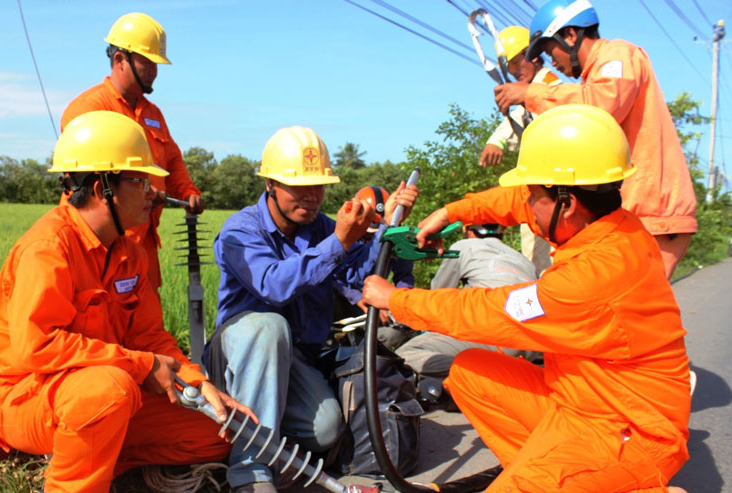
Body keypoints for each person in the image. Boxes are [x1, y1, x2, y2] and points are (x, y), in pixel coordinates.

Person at [362, 105, 692, 491]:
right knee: (470, 372)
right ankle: (547, 473)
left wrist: (397, 300)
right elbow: (518, 202)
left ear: (567, 203)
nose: (527, 204)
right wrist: (450, 211)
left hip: (627, 434)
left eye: (535, 194)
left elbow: (491, 312)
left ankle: (619, 483)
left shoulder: (593, 277)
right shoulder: (613, 224)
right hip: (579, 404)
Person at [0, 111, 254, 493]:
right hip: (26, 397)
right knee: (107, 389)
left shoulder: (129, 251)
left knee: (222, 431)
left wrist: (197, 381)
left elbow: (150, 336)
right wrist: (141, 365)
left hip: (106, 394)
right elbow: (36, 349)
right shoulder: (48, 248)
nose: (153, 193)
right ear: (104, 185)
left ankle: (96, 460)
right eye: (140, 180)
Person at [204, 126, 418, 493]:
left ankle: (252, 428)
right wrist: (338, 242)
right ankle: (249, 471)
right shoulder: (240, 230)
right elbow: (273, 285)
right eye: (299, 188)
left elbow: (359, 270)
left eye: (318, 186)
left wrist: (389, 227)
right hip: (238, 359)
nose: (312, 197)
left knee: (325, 430)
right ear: (270, 184)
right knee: (268, 326)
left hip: (295, 361)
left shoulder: (321, 227)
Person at [493, 0, 697, 279]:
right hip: (635, 212)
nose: (552, 62)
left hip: (651, 213)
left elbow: (601, 107)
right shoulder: (596, 76)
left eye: (550, 50)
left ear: (570, 35)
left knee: (628, 312)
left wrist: (530, 94)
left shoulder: (618, 55)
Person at [60, 12, 203, 290]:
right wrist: (145, 190)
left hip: (143, 244)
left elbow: (171, 160)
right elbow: (86, 182)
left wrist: (187, 192)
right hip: (97, 245)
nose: (154, 70)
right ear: (119, 60)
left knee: (145, 326)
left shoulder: (154, 115)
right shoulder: (88, 110)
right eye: (147, 61)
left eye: (156, 63)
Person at [395, 223, 539, 385]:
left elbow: (439, 293)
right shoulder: (523, 260)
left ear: (468, 231)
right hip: (528, 346)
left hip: (493, 338)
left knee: (404, 355)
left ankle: (486, 377)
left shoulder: (464, 247)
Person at [480, 26, 560, 275]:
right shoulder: (529, 89)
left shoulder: (549, 85)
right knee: (533, 251)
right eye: (510, 65)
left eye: (517, 61)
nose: (514, 71)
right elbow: (516, 119)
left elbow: (548, 112)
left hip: (556, 182)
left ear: (534, 56)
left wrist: (500, 139)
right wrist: (497, 141)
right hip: (536, 183)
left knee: (552, 252)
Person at [334, 185, 415, 348]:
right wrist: (357, 297)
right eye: (367, 234)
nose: (370, 238)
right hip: (343, 304)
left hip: (375, 302)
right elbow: (333, 277)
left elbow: (404, 274)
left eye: (375, 233)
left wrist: (398, 298)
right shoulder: (343, 237)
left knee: (396, 333)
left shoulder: (396, 237)